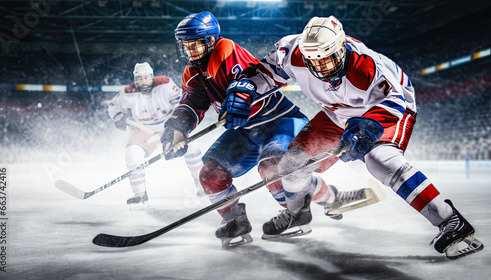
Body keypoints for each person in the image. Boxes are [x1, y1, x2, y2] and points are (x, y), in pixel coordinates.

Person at [248, 16, 483, 259]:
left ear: (341, 49)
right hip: (338, 111)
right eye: (313, 62)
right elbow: (267, 71)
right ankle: (298, 213)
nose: (321, 69)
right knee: (291, 165)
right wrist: (244, 90)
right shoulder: (294, 51)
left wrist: (366, 129)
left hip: (387, 108)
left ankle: (450, 220)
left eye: (327, 60)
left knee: (380, 160)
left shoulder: (365, 66)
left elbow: (393, 103)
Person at [161, 11, 313, 248]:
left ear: (211, 40)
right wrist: (178, 130)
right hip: (246, 129)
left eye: (195, 45)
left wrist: (238, 96)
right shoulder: (193, 72)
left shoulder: (225, 50)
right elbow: (191, 102)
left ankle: (298, 211)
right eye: (186, 45)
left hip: (278, 119)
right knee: (210, 175)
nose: (190, 51)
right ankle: (236, 221)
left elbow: (245, 81)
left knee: (272, 169)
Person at [107, 62, 204, 208]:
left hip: (169, 125)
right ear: (135, 79)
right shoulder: (128, 92)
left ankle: (202, 187)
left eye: (146, 77)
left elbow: (181, 102)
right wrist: (118, 117)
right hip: (143, 129)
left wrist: (177, 124)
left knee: (191, 144)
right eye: (139, 78)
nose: (143, 81)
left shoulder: (164, 83)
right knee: (132, 153)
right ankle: (140, 195)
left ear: (151, 77)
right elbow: (113, 106)